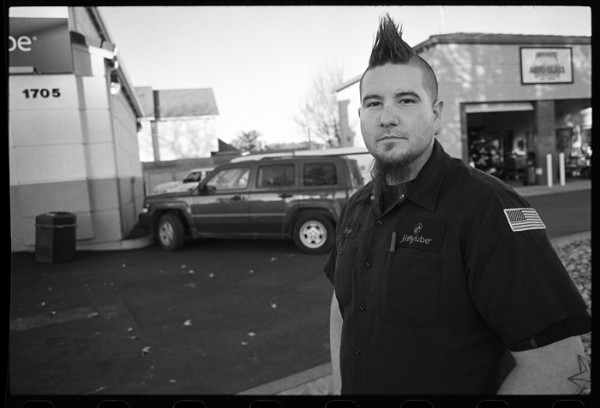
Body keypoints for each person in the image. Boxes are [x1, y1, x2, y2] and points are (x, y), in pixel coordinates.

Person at [324, 13, 590, 395]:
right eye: (373, 103)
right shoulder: (357, 207)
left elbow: (560, 365)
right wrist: (338, 386)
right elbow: (341, 308)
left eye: (406, 99)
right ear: (361, 116)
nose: (387, 117)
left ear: (436, 115)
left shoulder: (487, 209)